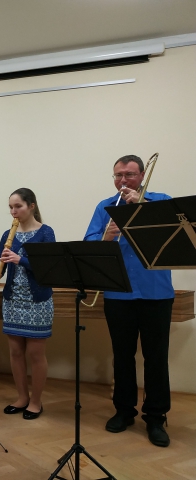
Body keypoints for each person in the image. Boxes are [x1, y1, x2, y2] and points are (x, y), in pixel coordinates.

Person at [84, 155, 173, 447]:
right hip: (118, 292)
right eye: (118, 175)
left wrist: (142, 206)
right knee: (122, 356)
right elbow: (89, 244)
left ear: (142, 175)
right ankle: (124, 410)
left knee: (156, 357)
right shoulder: (106, 207)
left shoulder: (161, 201)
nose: (123, 180)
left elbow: (172, 233)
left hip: (156, 292)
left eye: (129, 174)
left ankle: (156, 417)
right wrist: (107, 236)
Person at [0, 188, 55, 420]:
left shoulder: (46, 232)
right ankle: (22, 397)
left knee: (36, 354)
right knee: (16, 352)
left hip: (38, 301)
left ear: (31, 206)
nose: (13, 211)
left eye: (17, 206)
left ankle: (36, 402)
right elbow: (0, 264)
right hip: (13, 300)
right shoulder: (7, 234)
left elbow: (48, 268)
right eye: (10, 207)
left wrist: (21, 260)